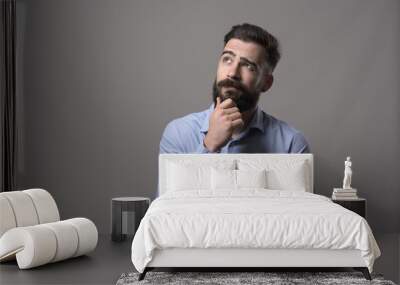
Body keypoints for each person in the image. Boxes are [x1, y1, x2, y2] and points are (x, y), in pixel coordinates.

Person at [160, 23, 310, 154]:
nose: (232, 73)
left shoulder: (291, 144)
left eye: (248, 66)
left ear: (266, 83)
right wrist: (209, 145)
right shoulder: (179, 133)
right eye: (227, 59)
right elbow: (173, 188)